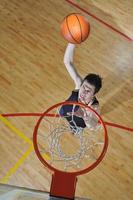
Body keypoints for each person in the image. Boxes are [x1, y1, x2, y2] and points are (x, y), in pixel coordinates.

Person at [60, 43, 102, 134]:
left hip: (78, 123)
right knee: (61, 112)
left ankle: (74, 130)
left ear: (93, 94)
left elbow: (93, 126)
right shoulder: (79, 84)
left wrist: (84, 116)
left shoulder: (94, 106)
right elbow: (67, 62)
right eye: (83, 87)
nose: (83, 92)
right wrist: (72, 42)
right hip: (66, 110)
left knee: (75, 130)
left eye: (88, 91)